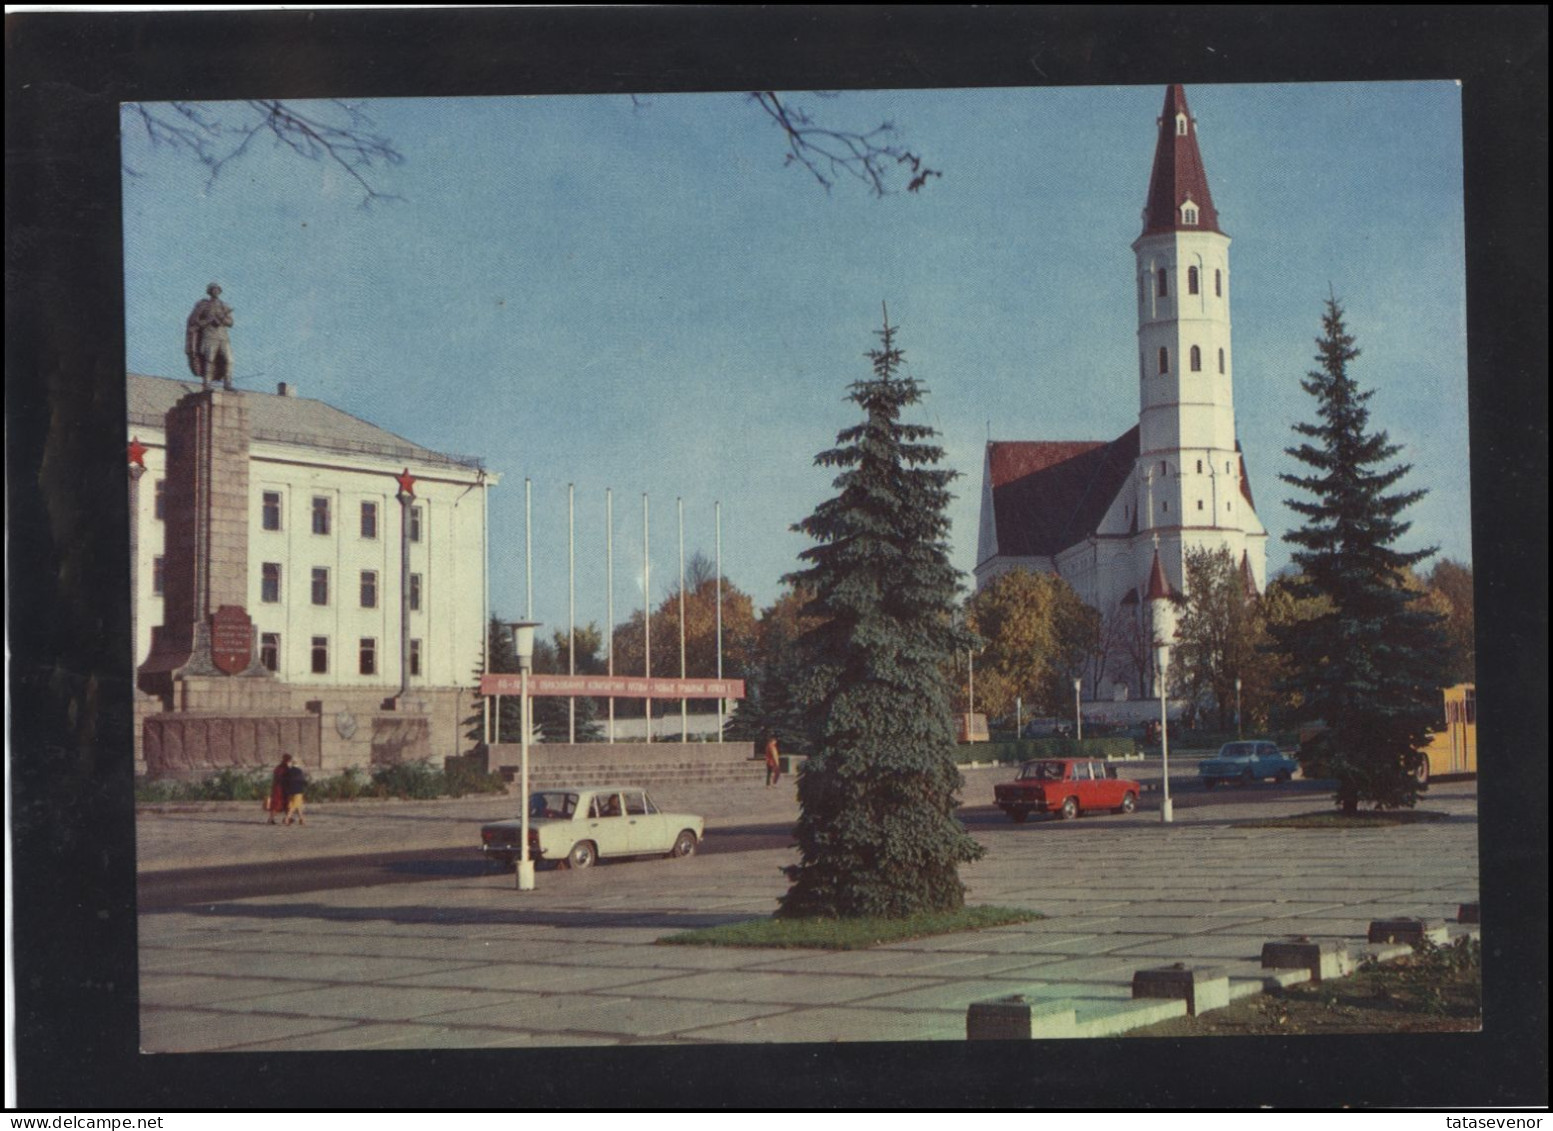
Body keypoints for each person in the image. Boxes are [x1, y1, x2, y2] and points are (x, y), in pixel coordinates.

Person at [185, 282, 235, 390]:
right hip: (209, 336)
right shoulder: (203, 305)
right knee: (209, 360)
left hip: (223, 337)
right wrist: (208, 320)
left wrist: (221, 319)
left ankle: (228, 384)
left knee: (229, 360)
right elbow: (193, 321)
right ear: (209, 292)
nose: (216, 291)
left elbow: (230, 323)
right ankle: (207, 384)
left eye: (217, 290)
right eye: (213, 289)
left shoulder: (224, 306)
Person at [281, 758, 308, 826]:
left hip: (290, 791)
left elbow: (285, 781)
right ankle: (287, 818)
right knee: (295, 805)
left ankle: (302, 820)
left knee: (296, 806)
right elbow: (302, 780)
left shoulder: (289, 771)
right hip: (298, 790)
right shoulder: (299, 771)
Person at [265, 754, 290, 824]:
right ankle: (271, 819)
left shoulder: (279, 767)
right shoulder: (284, 768)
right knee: (278, 804)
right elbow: (283, 778)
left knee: (282, 804)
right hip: (280, 788)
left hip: (278, 788)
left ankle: (287, 818)